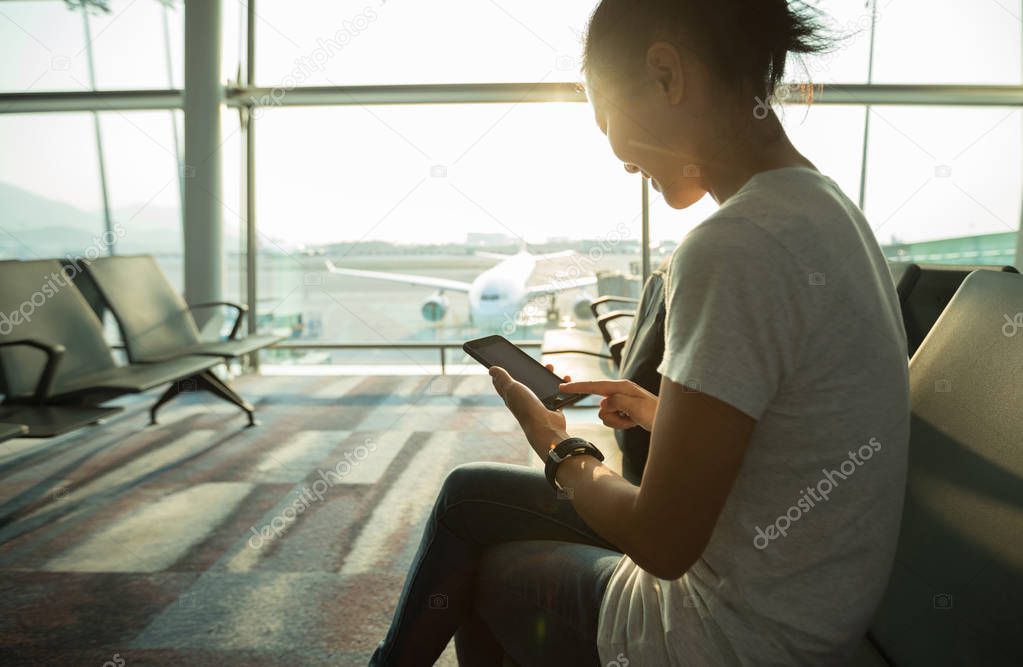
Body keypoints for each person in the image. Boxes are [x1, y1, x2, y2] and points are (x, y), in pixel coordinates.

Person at [369, 0, 910, 664]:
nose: (620, 159)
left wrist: (562, 452)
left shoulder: (734, 243)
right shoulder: (825, 208)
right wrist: (662, 412)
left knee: (487, 569)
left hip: (730, 636)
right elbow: (796, 430)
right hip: (806, 601)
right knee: (468, 495)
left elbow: (662, 543)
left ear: (664, 75)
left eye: (604, 118)